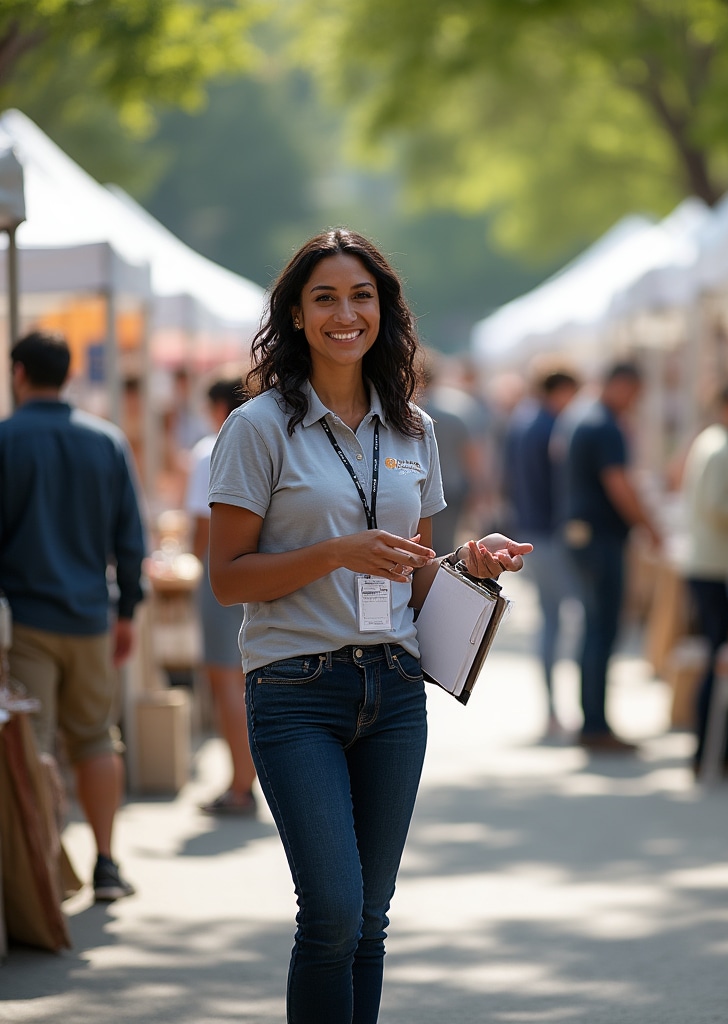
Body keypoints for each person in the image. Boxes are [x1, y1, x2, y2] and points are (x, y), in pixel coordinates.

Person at [206, 227, 531, 1024]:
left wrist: (468, 563)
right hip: (296, 692)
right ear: (295, 313)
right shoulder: (257, 429)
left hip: (393, 692)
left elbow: (411, 569)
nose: (345, 313)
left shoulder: (413, 429)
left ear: (384, 309)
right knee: (333, 915)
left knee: (371, 925)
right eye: (324, 298)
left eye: (361, 296)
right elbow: (226, 578)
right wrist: (334, 552)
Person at [0, 330, 146, 901]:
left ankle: (41, 871)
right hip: (91, 615)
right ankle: (107, 862)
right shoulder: (106, 441)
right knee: (95, 741)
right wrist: (128, 610)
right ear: (68, 374)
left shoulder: (5, 440)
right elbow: (129, 538)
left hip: (25, 619)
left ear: (18, 374)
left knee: (32, 747)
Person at [556, 361, 662, 753]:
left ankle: (594, 722)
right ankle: (596, 725)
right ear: (622, 385)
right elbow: (619, 484)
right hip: (600, 540)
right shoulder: (603, 424)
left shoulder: (585, 418)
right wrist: (649, 526)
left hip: (585, 537)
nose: (635, 401)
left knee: (594, 631)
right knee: (602, 631)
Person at [183, 375, 258, 815]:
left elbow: (201, 530)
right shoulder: (270, 439)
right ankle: (248, 780)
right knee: (252, 678)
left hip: (223, 572)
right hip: (264, 573)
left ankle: (240, 784)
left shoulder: (211, 449)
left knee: (226, 680)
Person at [503, 363, 580, 738]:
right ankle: (557, 710)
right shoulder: (549, 426)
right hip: (550, 534)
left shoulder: (522, 421)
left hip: (530, 527)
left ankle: (553, 710)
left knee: (552, 622)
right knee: (563, 623)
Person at [681, 382, 728, 776]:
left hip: (708, 563)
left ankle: (712, 748)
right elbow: (718, 506)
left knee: (718, 659)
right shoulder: (723, 447)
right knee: (721, 662)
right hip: (717, 566)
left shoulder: (712, 442)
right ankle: (714, 748)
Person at [417, 349, 487, 555]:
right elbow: (471, 454)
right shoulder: (456, 410)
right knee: (443, 549)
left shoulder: (402, 411)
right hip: (451, 489)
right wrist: (479, 490)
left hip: (415, 489)